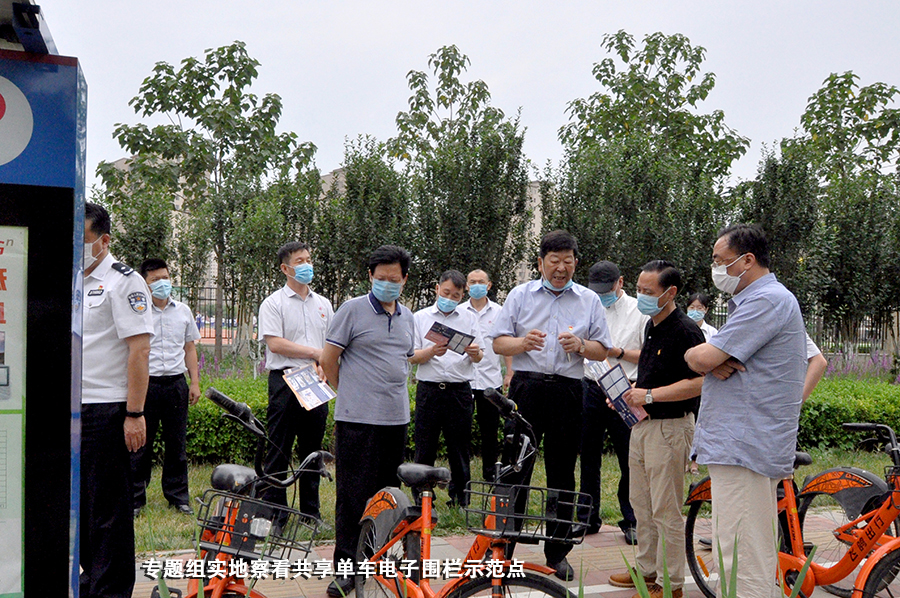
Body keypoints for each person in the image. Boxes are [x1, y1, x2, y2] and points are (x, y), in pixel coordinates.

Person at [685, 224, 807, 598]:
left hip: (745, 445)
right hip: (743, 445)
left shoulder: (766, 300)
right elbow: (705, 359)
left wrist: (702, 357)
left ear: (747, 260)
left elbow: (702, 357)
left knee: (742, 556)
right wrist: (706, 359)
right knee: (739, 548)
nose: (716, 269)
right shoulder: (762, 300)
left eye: (720, 261)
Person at [491, 230, 612, 581]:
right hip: (526, 388)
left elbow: (602, 349)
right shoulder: (520, 295)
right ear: (541, 262)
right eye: (554, 261)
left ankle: (558, 553)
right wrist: (521, 343)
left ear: (576, 262)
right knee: (515, 468)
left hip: (568, 390)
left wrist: (581, 345)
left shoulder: (589, 299)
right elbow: (498, 343)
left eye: (567, 261)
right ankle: (504, 549)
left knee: (562, 471)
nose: (561, 268)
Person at [320, 245, 415, 598]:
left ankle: (377, 559)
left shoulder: (408, 317)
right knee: (353, 496)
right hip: (357, 421)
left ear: (404, 280)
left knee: (388, 496)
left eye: (394, 279)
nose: (387, 284)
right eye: (381, 278)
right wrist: (349, 392)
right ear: (370, 277)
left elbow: (404, 359)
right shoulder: (352, 310)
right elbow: (329, 359)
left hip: (395, 420)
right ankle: (346, 570)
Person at [607, 260, 704, 598]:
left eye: (648, 291)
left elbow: (699, 382)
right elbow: (655, 375)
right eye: (638, 290)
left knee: (666, 509)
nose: (642, 297)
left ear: (670, 292)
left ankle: (670, 583)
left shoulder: (686, 331)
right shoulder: (651, 325)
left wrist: (648, 395)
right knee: (642, 504)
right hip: (642, 424)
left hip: (670, 427)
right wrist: (630, 392)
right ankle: (647, 569)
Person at [81, 202, 153, 598]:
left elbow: (139, 351)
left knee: (108, 509)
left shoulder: (124, 282)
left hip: (106, 409)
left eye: (83, 239)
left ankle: (110, 590)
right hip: (73, 408)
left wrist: (134, 413)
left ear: (104, 240)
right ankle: (90, 577)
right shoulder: (72, 279)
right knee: (79, 504)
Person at [258, 241, 334, 518]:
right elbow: (275, 343)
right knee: (279, 447)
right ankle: (276, 512)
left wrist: (325, 365)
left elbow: (332, 343)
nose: (306, 266)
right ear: (285, 268)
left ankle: (310, 513)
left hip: (316, 380)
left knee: (312, 450)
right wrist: (314, 353)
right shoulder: (273, 303)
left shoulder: (323, 304)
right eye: (300, 261)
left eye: (308, 260)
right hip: (285, 380)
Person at [581, 261, 648, 543]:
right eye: (596, 291)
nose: (601, 296)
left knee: (628, 457)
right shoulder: (586, 307)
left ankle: (631, 519)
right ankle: (586, 517)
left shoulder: (639, 311)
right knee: (588, 455)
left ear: (620, 282)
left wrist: (615, 352)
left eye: (606, 290)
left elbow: (648, 354)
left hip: (625, 387)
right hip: (591, 385)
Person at [131, 258, 201, 518]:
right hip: (146, 385)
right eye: (155, 280)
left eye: (165, 278)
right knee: (140, 444)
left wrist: (194, 382)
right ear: (145, 283)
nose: (162, 283)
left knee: (176, 443)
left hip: (175, 384)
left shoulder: (182, 310)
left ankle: (178, 497)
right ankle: (136, 498)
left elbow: (189, 348)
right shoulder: (138, 312)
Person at [410, 269, 483, 506]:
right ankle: (422, 498)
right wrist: (431, 351)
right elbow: (411, 356)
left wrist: (475, 352)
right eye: (446, 293)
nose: (450, 298)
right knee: (425, 446)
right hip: (429, 390)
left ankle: (461, 498)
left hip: (459, 391)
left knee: (459, 447)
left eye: (456, 296)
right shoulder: (420, 317)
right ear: (437, 289)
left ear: (462, 296)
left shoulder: (469, 318)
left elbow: (480, 355)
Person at [460, 269, 514, 480]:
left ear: (489, 285)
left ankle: (490, 473)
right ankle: (462, 476)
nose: (476, 285)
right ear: (466, 286)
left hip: (490, 379)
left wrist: (509, 373)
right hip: (463, 379)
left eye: (481, 282)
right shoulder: (459, 312)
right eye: (472, 282)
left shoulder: (500, 312)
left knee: (490, 431)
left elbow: (506, 344)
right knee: (461, 431)